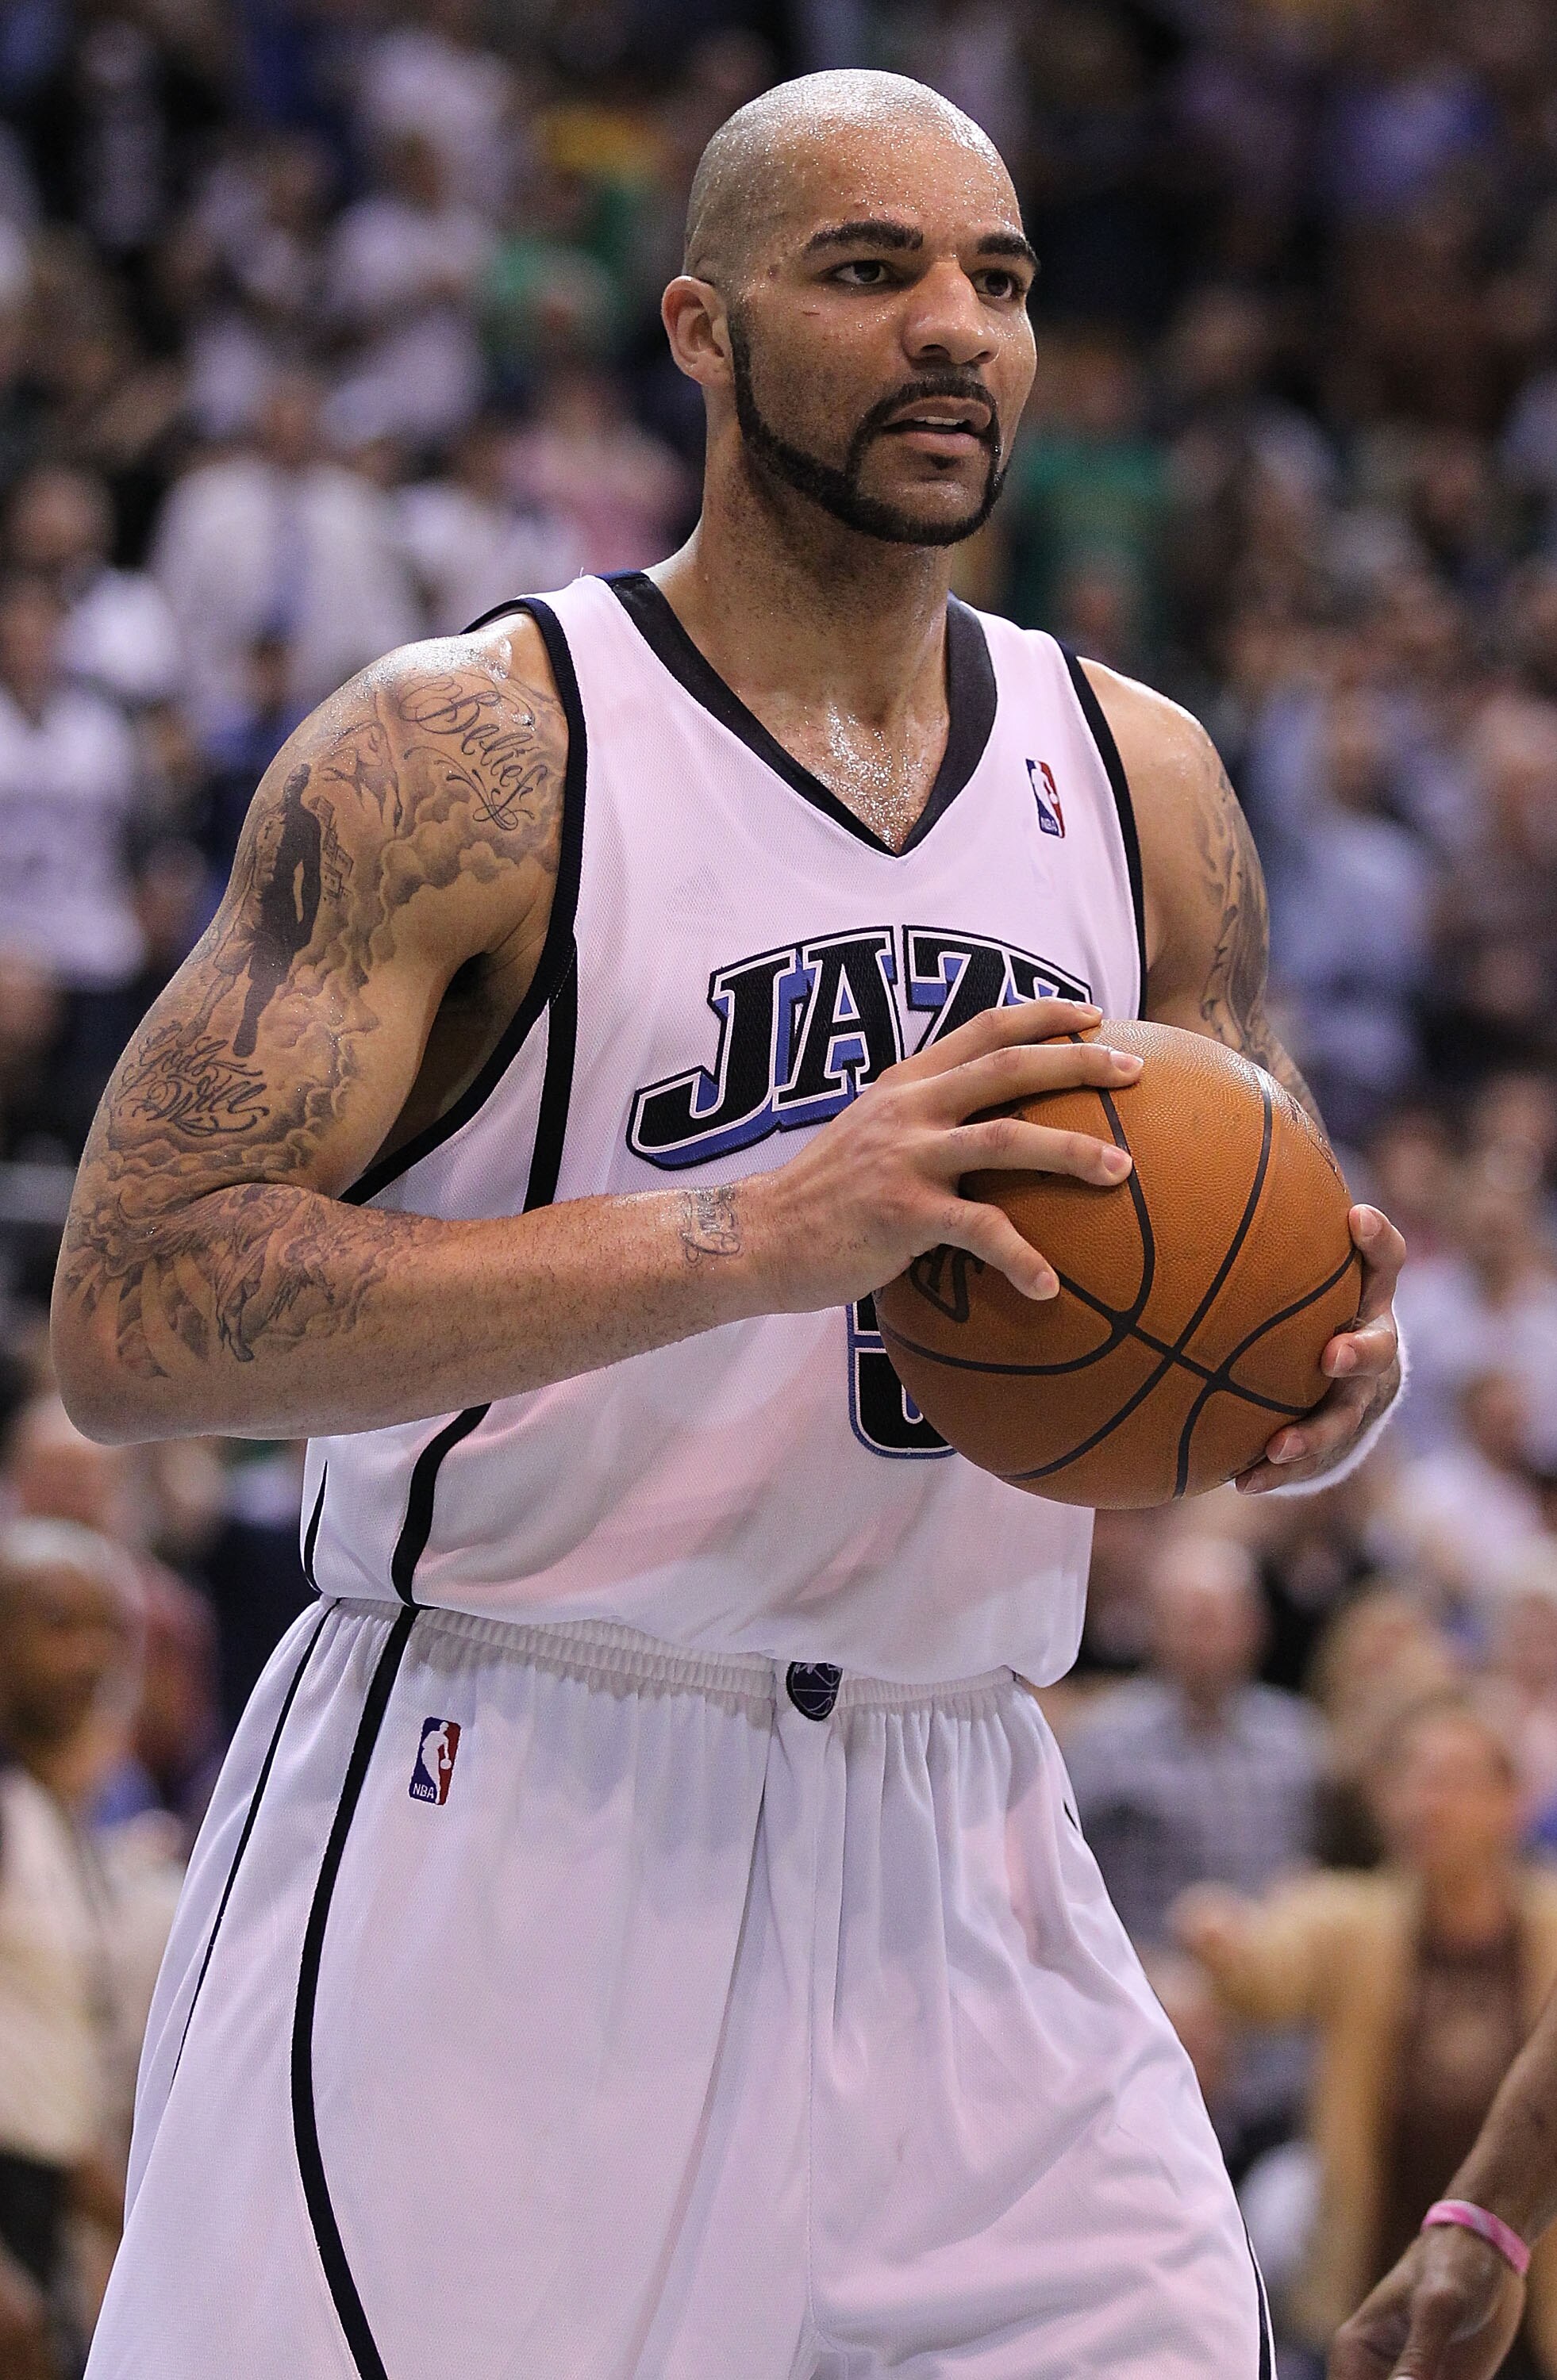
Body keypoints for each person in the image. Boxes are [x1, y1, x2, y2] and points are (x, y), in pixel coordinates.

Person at [55, 71, 1405, 2380]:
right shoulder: (467, 750)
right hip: (517, 1808)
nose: (955, 328)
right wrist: (750, 1234)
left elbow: (1213, 1318)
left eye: (998, 278)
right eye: (868, 271)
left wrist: (1302, 1404)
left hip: (965, 1819)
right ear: (697, 325)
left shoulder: (1151, 780)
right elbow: (130, 1309)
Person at [1177, 1697, 1557, 2376]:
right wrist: (1222, 1939)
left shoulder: (1549, 1922)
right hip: (1375, 2275)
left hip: (1532, 2296)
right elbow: (1267, 1973)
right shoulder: (1354, 1918)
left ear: (1512, 1802)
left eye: (1452, 1781)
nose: (1426, 1803)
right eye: (1410, 1779)